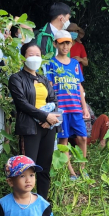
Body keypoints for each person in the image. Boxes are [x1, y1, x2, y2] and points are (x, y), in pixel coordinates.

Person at [9, 41, 61, 198]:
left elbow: (54, 101)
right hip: (30, 127)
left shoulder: (43, 79)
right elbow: (22, 104)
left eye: (38, 55)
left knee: (44, 168)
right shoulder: (16, 78)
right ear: (23, 57)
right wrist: (44, 116)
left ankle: (43, 204)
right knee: (27, 169)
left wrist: (50, 119)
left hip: (48, 128)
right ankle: (26, 203)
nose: (35, 58)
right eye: (31, 55)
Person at [44, 33, 89, 180]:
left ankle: (82, 168)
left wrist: (85, 107)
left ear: (71, 45)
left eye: (68, 43)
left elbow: (79, 86)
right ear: (56, 44)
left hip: (75, 108)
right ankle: (71, 172)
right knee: (63, 140)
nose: (65, 46)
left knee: (83, 137)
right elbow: (49, 86)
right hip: (60, 110)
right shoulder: (51, 63)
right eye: (62, 43)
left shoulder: (75, 64)